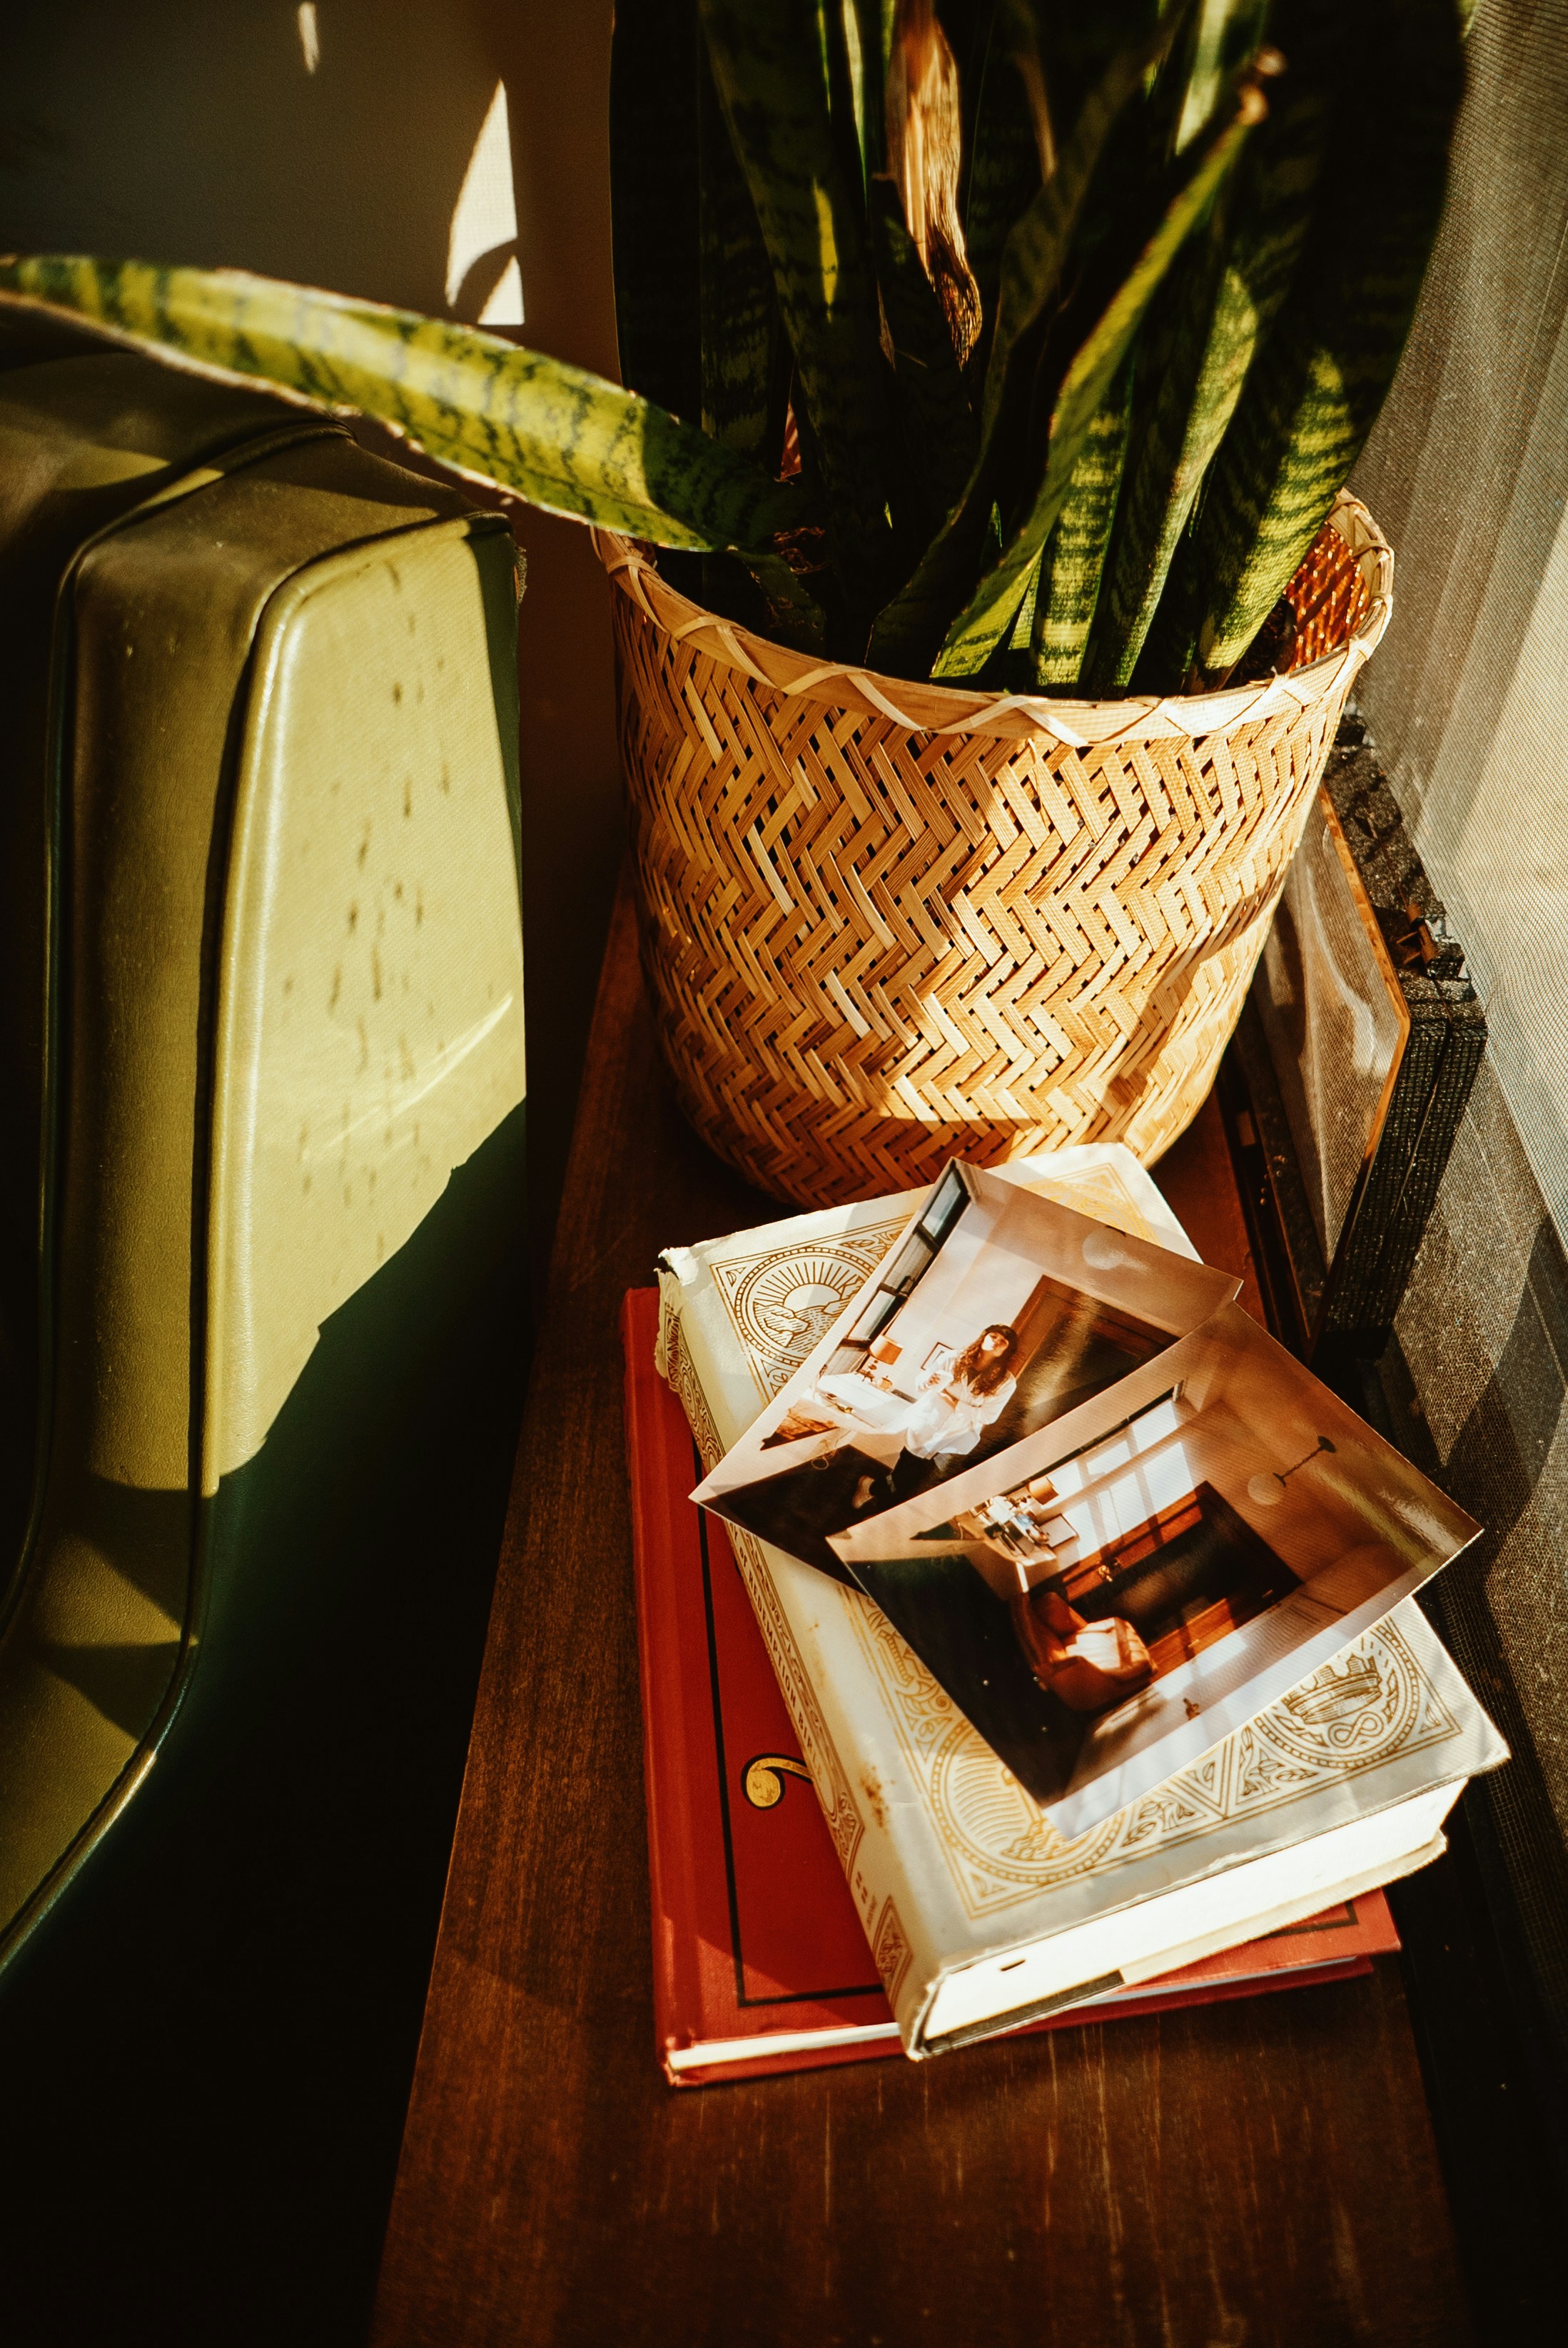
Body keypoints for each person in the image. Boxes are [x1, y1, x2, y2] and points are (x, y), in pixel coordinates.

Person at [886, 1323, 1021, 1501]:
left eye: (1003, 1341)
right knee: (901, 1475)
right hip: (926, 1425)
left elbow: (989, 1416)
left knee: (921, 1487)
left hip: (955, 1439)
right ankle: (874, 1494)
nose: (997, 1341)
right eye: (993, 1336)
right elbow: (921, 1383)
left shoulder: (1006, 1383)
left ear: (1008, 1350)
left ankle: (874, 1493)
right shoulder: (954, 1358)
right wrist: (928, 1382)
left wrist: (950, 1399)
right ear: (984, 1336)